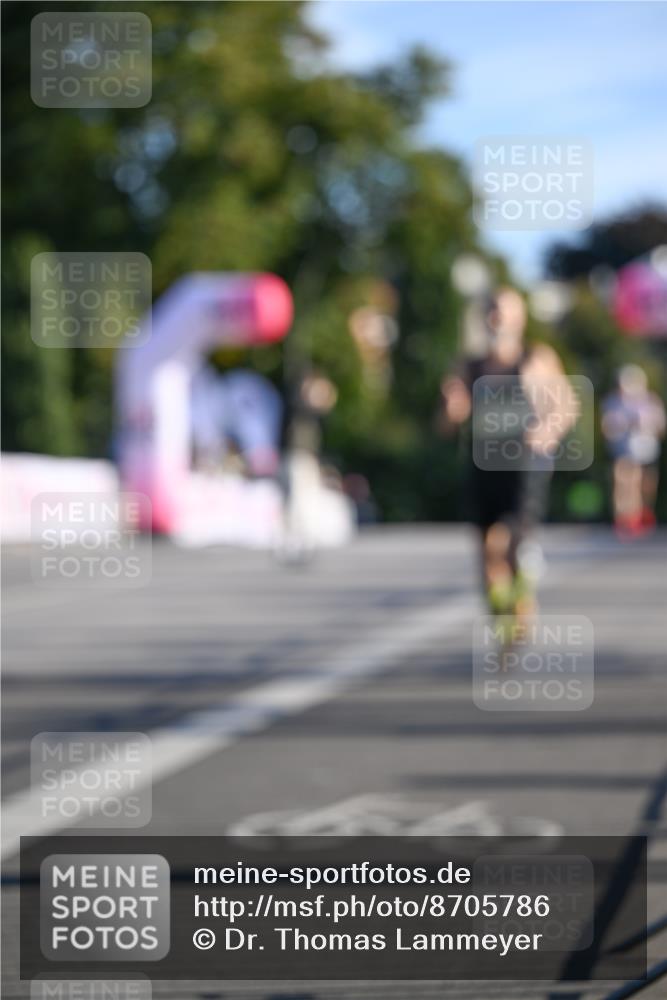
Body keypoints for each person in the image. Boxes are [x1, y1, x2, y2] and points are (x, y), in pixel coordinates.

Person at [440, 287, 578, 628]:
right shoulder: (469, 366)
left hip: (524, 463)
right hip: (484, 463)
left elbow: (566, 406)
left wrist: (546, 431)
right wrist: (452, 409)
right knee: (487, 547)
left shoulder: (535, 359)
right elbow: (446, 423)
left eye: (503, 311)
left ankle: (522, 597)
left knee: (511, 540)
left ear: (520, 318)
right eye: (491, 310)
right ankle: (501, 614)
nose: (496, 318)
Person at [601, 364, 665, 539]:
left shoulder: (651, 401)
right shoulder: (613, 402)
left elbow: (660, 427)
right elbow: (607, 428)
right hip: (624, 451)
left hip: (647, 451)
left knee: (646, 486)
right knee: (625, 483)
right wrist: (623, 424)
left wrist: (647, 424)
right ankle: (625, 518)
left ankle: (643, 515)